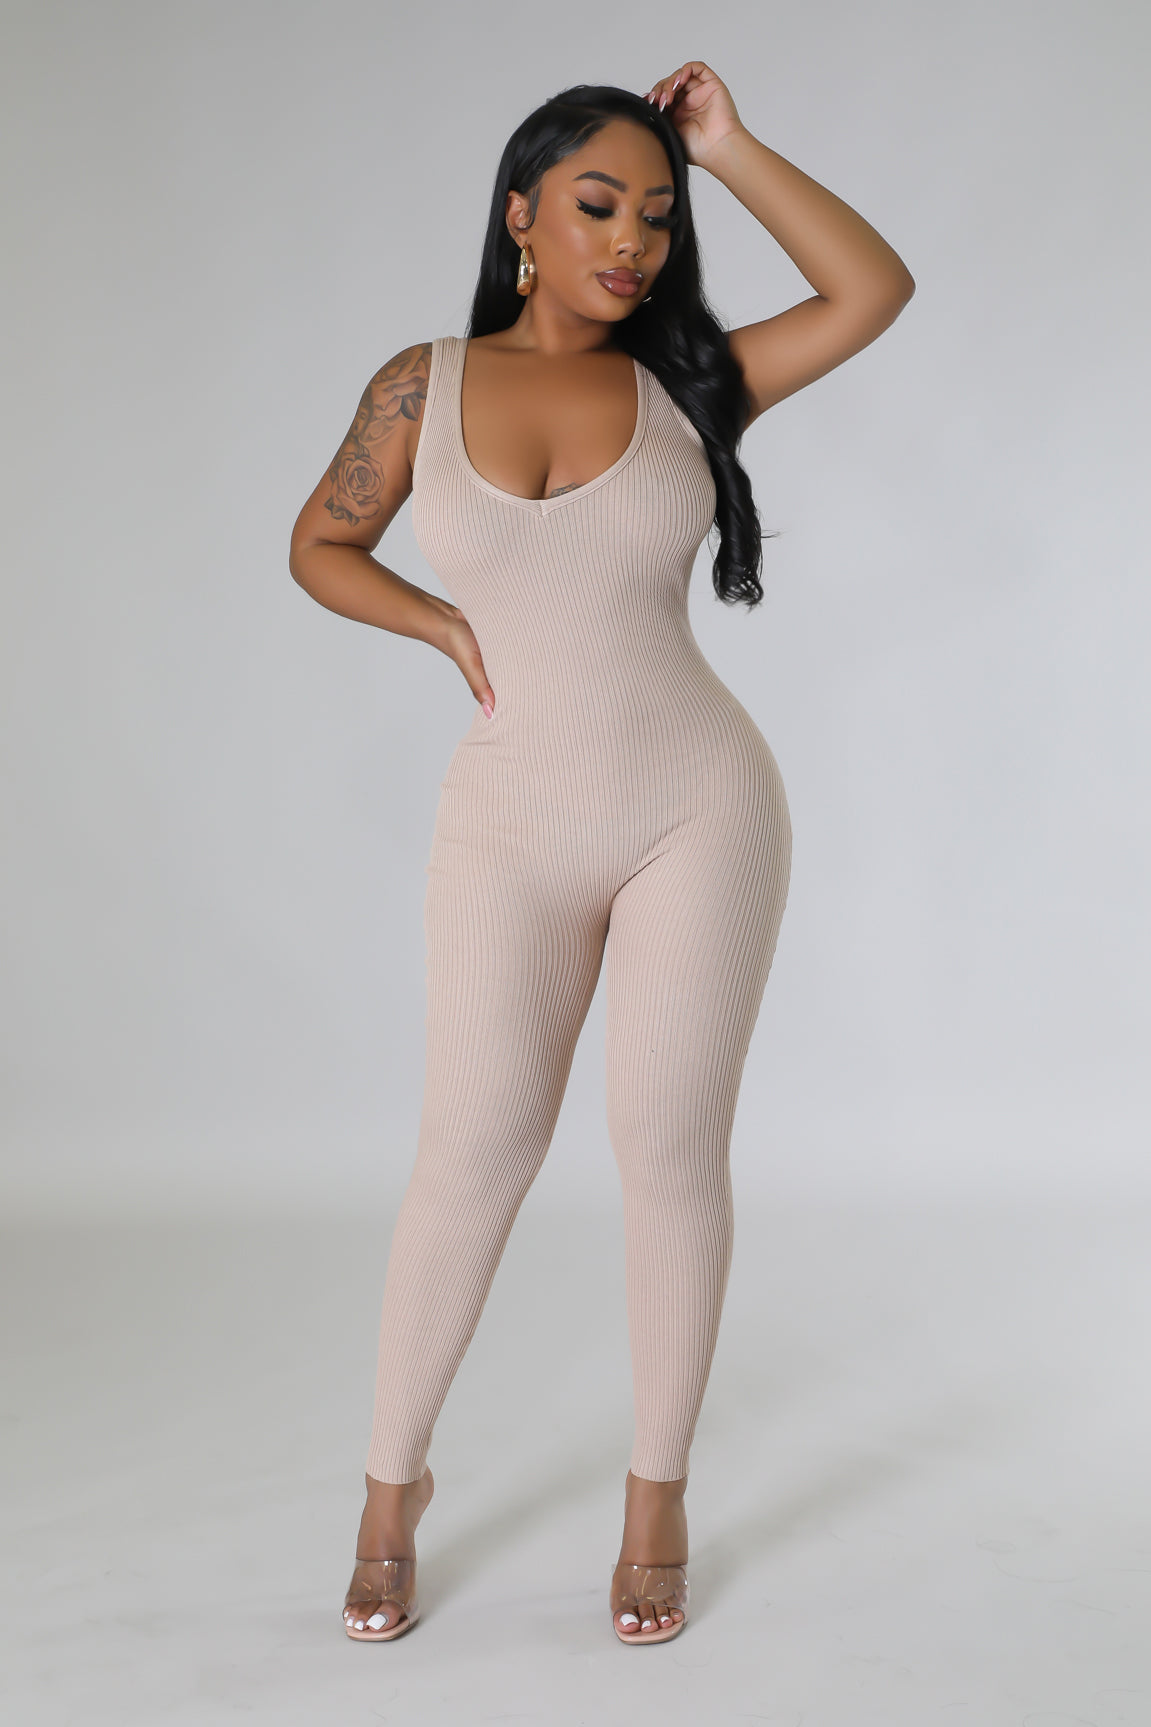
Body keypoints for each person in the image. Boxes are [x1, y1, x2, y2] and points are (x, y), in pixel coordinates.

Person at [289, 62, 914, 1645]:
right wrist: (441, 624)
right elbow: (321, 544)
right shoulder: (421, 387)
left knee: (668, 1151)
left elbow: (872, 289)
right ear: (520, 216)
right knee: (473, 1150)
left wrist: (732, 147)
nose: (633, 241)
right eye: (597, 206)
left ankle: (656, 1498)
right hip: (508, 822)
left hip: (699, 807)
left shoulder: (693, 384)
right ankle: (388, 1494)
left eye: (656, 214)